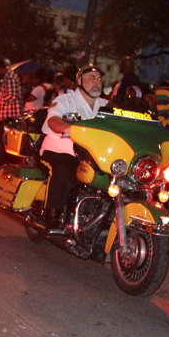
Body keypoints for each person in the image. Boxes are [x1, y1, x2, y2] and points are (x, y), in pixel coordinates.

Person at [39, 65, 109, 232]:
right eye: (92, 77)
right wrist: (67, 128)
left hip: (93, 155)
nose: (97, 82)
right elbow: (53, 120)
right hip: (61, 150)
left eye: (99, 78)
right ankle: (53, 215)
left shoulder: (107, 106)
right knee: (66, 168)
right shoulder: (65, 100)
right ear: (79, 81)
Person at [0, 62, 23, 169]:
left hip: (7, 113)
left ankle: (1, 163)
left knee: (0, 139)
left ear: (1, 68)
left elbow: (12, 96)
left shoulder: (11, 77)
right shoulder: (8, 77)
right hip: (2, 113)